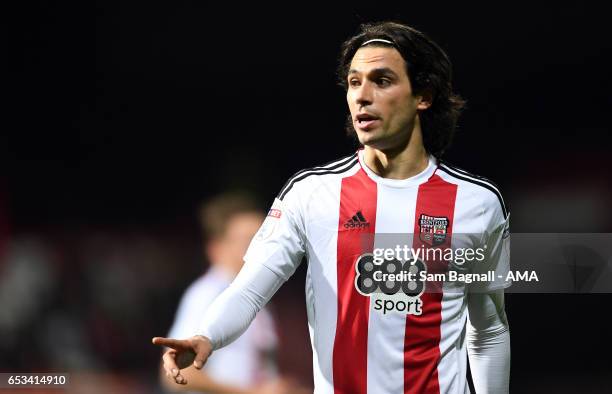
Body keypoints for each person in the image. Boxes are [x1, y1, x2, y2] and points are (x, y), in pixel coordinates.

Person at [154, 21, 511, 394]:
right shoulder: (311, 194)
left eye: (382, 80)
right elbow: (248, 290)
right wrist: (206, 336)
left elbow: (488, 328)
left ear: (423, 95)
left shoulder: (478, 205)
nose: (362, 95)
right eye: (355, 82)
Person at [159, 193, 292, 394]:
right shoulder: (207, 294)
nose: (261, 247)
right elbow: (175, 372)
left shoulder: (256, 296)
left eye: (264, 237)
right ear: (217, 248)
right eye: (249, 239)